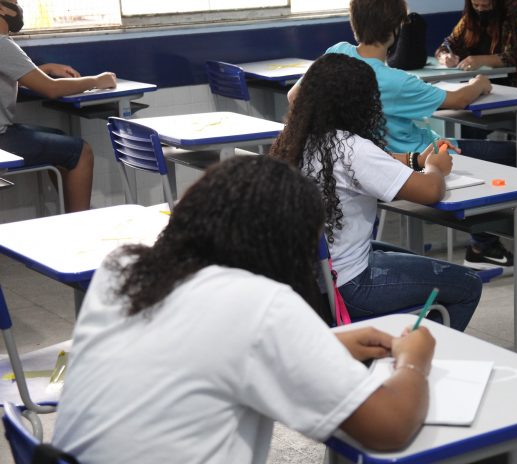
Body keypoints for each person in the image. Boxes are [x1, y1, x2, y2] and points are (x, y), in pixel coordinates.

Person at [52, 155, 436, 463]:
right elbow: (390, 428)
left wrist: (324, 345)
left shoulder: (120, 269)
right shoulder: (259, 303)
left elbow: (197, 352)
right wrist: (414, 360)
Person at [288, 0, 517, 270]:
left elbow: (294, 96)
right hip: (411, 159)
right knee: (510, 155)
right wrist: (480, 83)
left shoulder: (337, 52)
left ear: (354, 22)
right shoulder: (396, 81)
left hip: (383, 162)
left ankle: (486, 240)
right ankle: (486, 242)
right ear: (396, 29)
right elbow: (458, 99)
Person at [272, 53, 482, 331]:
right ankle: (419, 354)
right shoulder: (353, 147)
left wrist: (416, 160)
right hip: (351, 286)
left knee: (408, 258)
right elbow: (431, 191)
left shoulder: (299, 139)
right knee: (468, 285)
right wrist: (434, 166)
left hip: (316, 278)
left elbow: (369, 164)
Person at [0, 0, 117, 212]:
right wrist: (97, 80)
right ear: (2, 8)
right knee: (80, 151)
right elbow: (51, 89)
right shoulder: (2, 45)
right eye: (15, 2)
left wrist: (45, 69)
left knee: (60, 139)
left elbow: (12, 78)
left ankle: (69, 213)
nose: (18, 9)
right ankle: (79, 222)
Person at [435, 0, 517, 138]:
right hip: (477, 92)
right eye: (475, 5)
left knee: (466, 128)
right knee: (444, 116)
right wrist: (445, 56)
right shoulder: (471, 17)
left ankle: (478, 159)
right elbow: (447, 44)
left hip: (511, 89)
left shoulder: (516, 11)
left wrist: (482, 60)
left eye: (485, 5)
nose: (480, 9)